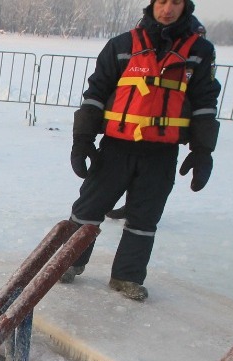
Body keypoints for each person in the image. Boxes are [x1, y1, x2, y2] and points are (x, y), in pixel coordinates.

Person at [59, 0, 220, 302]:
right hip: (116, 148)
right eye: (162, 1)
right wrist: (82, 139)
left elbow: (205, 103)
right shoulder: (122, 45)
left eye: (175, 2)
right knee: (87, 210)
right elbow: (96, 93)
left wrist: (203, 151)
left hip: (161, 153)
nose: (167, 9)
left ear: (186, 6)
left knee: (144, 218)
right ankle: (68, 262)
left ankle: (127, 276)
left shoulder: (200, 51)